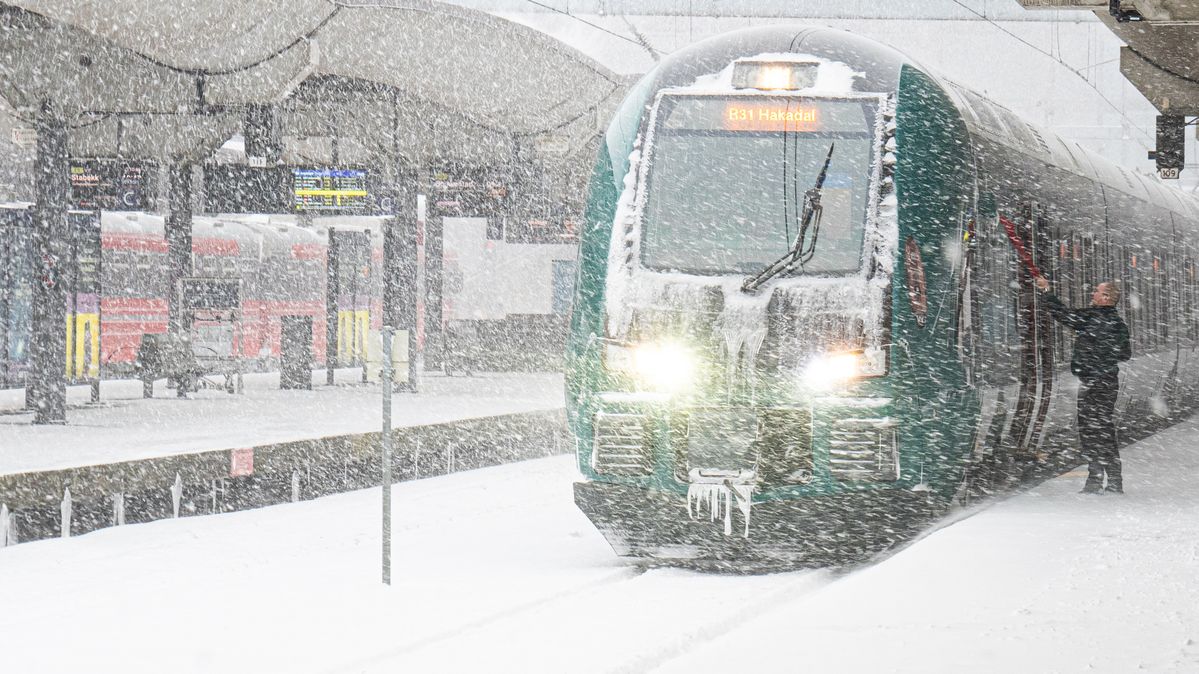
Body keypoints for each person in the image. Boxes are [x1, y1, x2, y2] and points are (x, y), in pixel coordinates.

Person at [1034, 275, 1131, 494]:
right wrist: (1106, 356)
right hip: (1107, 382)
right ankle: (1112, 478)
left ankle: (1096, 478)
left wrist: (1047, 291)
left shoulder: (1093, 318)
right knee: (1103, 428)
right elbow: (1125, 353)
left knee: (1091, 430)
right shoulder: (1117, 323)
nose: (1093, 295)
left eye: (1097, 292)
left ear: (1106, 298)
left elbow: (1063, 315)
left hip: (1092, 382)